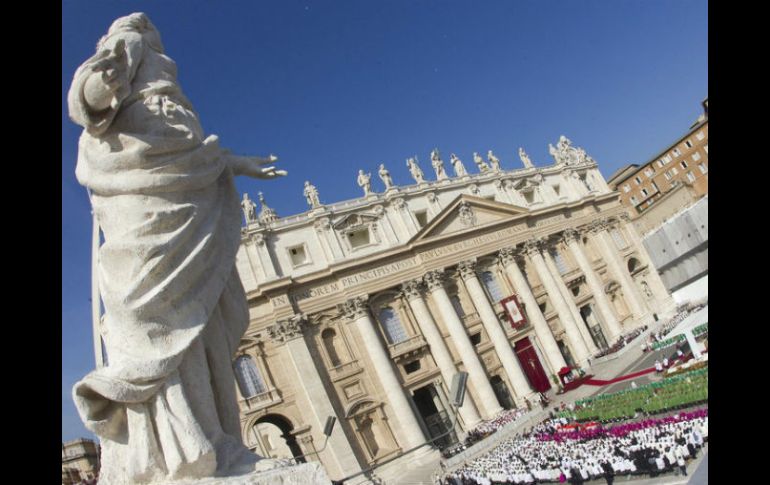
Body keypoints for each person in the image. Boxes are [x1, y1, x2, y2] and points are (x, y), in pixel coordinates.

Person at [68, 13, 287, 483]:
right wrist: (99, 87)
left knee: (199, 324)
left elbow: (195, 153)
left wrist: (237, 163)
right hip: (141, 208)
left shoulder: (169, 99)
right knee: (151, 319)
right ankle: (172, 448)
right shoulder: (131, 43)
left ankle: (206, 440)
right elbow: (84, 95)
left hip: (185, 204)